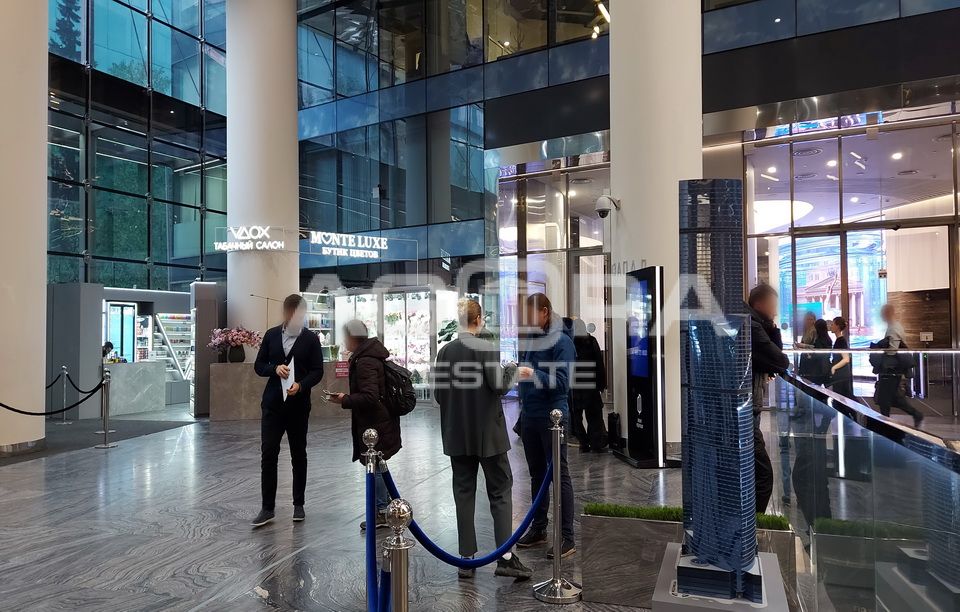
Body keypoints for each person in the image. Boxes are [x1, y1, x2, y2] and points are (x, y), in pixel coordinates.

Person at [433, 299, 532, 580]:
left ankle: (466, 559)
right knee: (500, 490)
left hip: (456, 434)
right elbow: (499, 385)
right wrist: (513, 369)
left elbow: (439, 395)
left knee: (463, 492)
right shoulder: (486, 348)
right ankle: (505, 557)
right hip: (488, 435)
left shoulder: (444, 352)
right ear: (478, 320)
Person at [251, 294, 325, 527]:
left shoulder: (311, 339)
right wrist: (274, 369)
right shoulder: (271, 335)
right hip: (272, 405)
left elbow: (318, 371)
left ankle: (298, 504)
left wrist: (301, 385)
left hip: (298, 406)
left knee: (298, 454)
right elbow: (259, 365)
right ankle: (267, 508)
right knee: (268, 454)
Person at [515, 293, 577, 559]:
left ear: (544, 312)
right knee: (537, 475)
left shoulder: (562, 342)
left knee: (559, 476)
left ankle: (567, 537)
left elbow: (562, 383)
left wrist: (533, 374)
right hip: (531, 416)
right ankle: (539, 528)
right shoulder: (532, 339)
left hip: (553, 418)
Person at [328, 320, 402, 530]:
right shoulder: (370, 356)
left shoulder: (365, 361)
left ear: (353, 337)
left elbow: (370, 396)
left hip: (375, 424)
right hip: (380, 421)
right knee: (378, 463)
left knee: (376, 465)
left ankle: (381, 511)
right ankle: (384, 506)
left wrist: (345, 399)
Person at [747, 284, 789, 514]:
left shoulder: (753, 324)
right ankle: (752, 528)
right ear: (760, 304)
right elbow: (780, 361)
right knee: (763, 476)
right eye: (773, 305)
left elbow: (774, 362)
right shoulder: (752, 327)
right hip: (744, 412)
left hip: (746, 409)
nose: (775, 311)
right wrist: (773, 329)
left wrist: (771, 327)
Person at [874, 304, 924, 428]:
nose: (881, 316)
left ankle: (885, 424)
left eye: (883, 313)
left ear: (888, 313)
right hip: (894, 369)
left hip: (891, 369)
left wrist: (880, 348)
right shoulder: (894, 326)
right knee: (894, 398)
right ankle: (915, 414)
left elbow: (892, 350)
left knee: (884, 398)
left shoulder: (894, 328)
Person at [570, 318, 607, 452]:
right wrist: (601, 384)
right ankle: (596, 443)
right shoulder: (591, 341)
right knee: (594, 416)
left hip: (575, 386)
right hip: (590, 385)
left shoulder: (570, 343)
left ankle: (583, 443)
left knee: (576, 417)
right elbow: (599, 364)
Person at [829, 317, 855, 400]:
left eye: (832, 324)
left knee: (843, 397)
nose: (830, 326)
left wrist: (834, 367)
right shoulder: (839, 340)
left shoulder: (841, 341)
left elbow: (846, 359)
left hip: (841, 374)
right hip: (841, 374)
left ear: (837, 326)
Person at [808, 319, 833, 386]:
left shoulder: (819, 340)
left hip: (818, 367)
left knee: (816, 387)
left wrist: (810, 355)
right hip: (826, 366)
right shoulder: (828, 339)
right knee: (828, 387)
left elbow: (817, 354)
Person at [796, 311, 817, 377]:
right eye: (807, 319)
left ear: (814, 320)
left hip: (810, 357)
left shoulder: (814, 330)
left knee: (808, 376)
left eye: (811, 319)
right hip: (805, 355)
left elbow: (815, 346)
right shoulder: (806, 330)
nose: (809, 321)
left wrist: (803, 345)